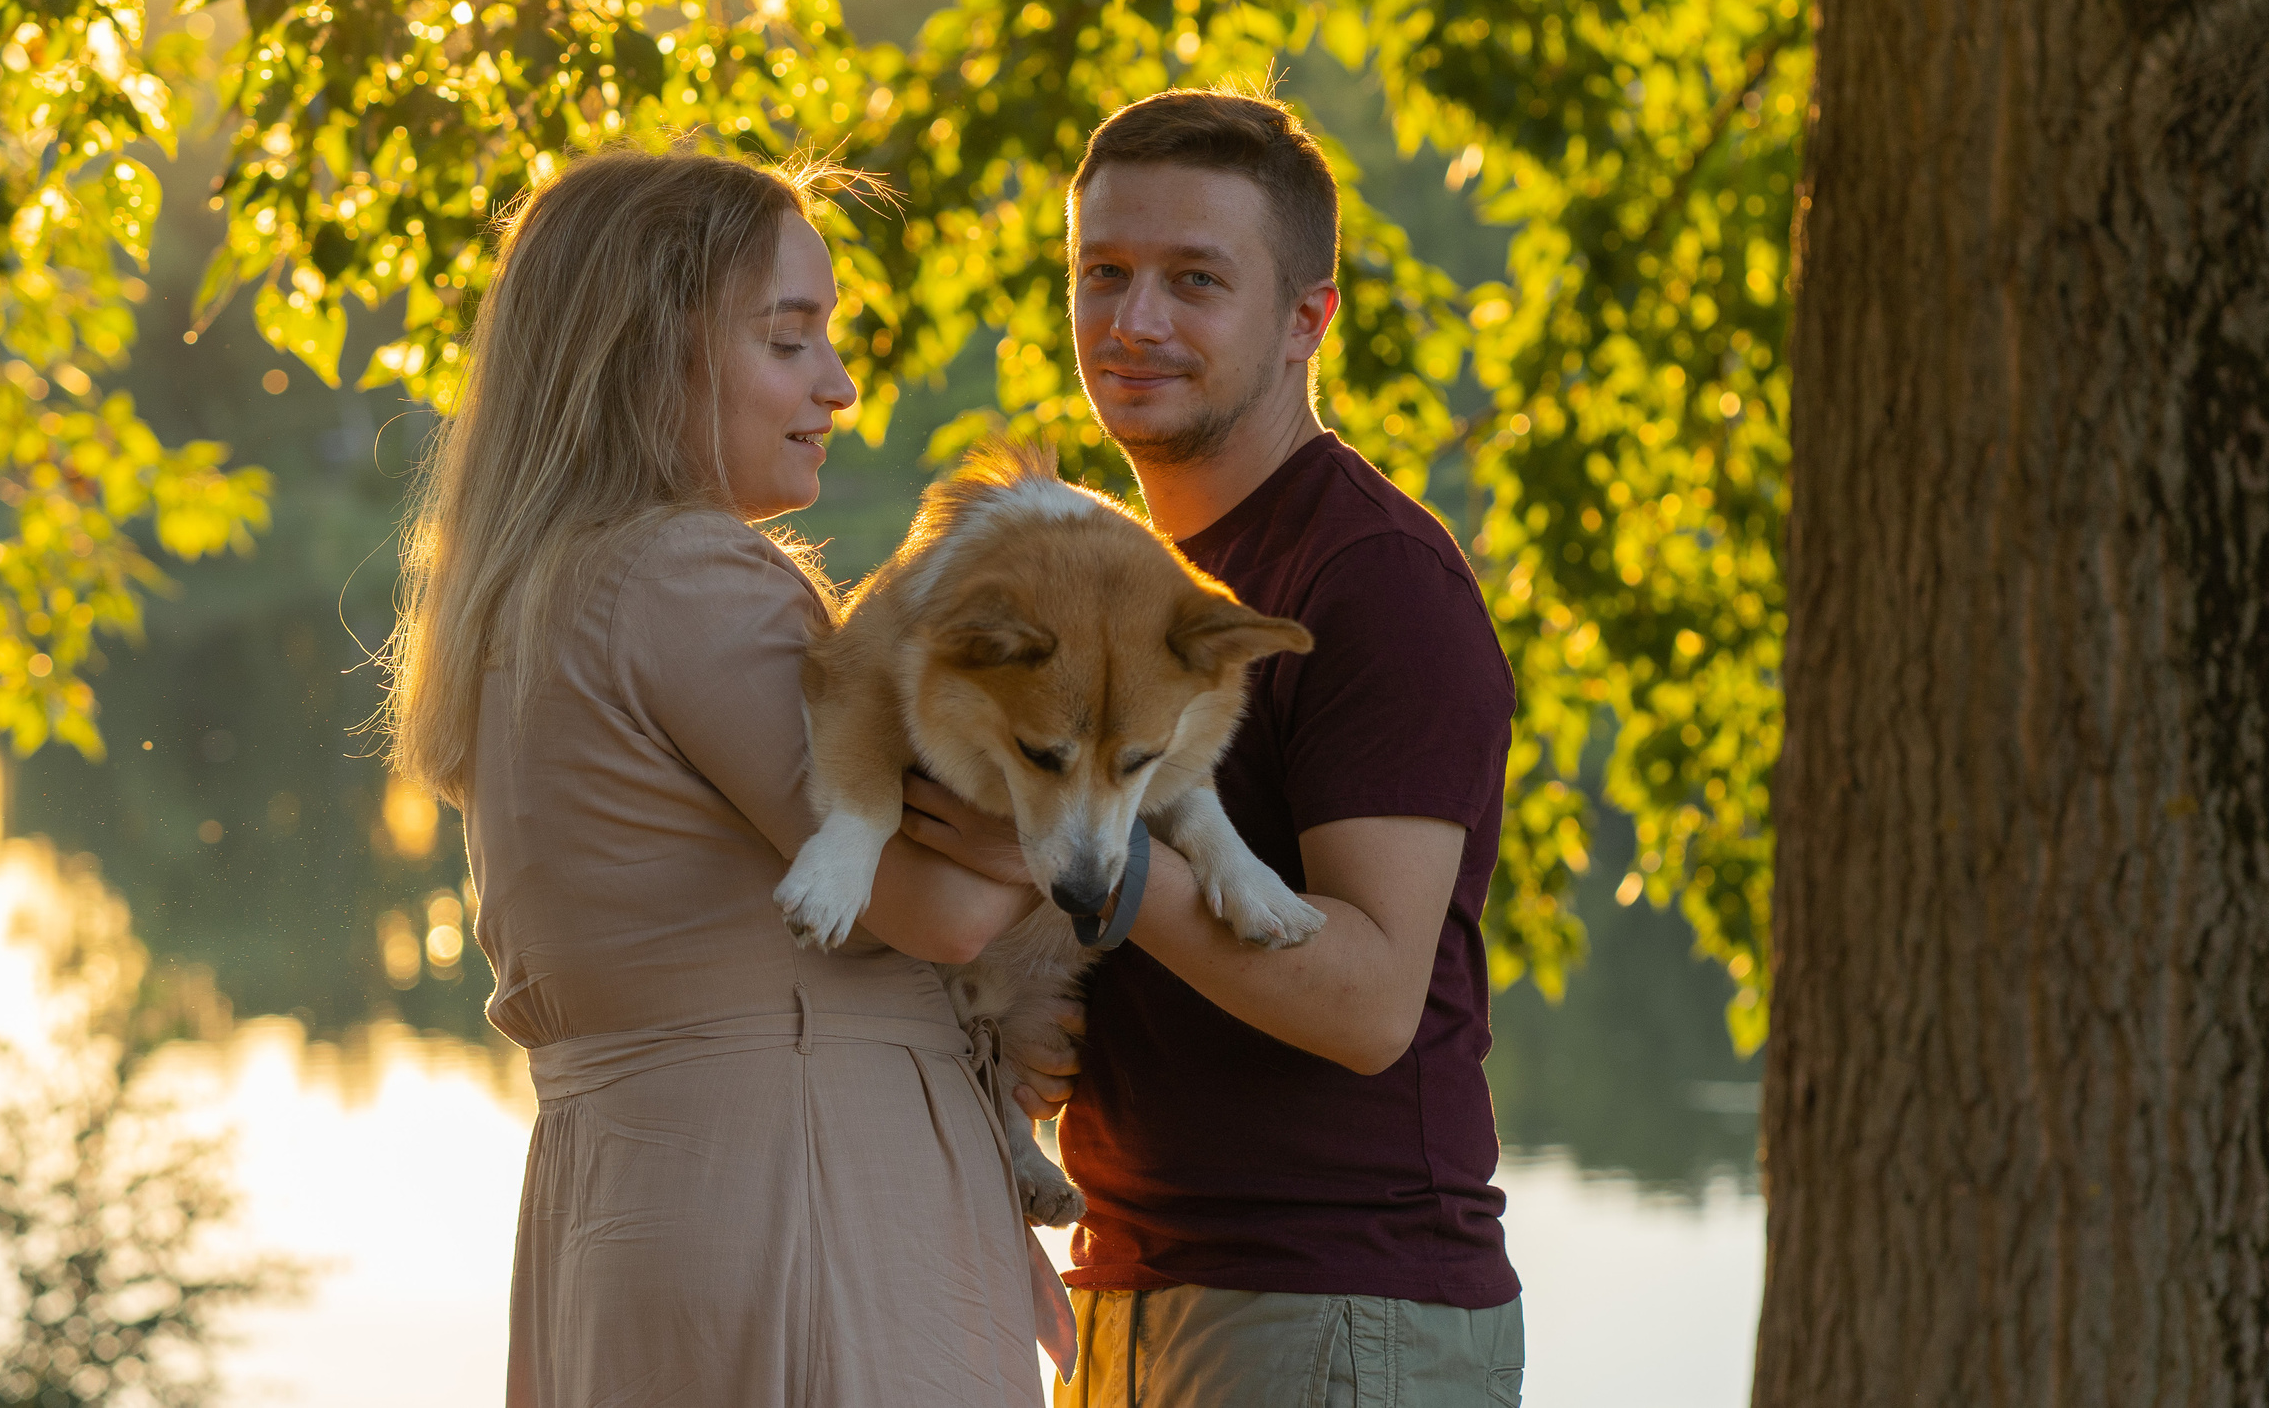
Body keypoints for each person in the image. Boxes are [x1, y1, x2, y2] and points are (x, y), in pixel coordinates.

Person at [383, 147, 1065, 1407]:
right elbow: (941, 907)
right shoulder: (690, 580)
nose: (841, 387)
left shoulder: (536, 597)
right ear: (652, 348)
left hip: (650, 1198)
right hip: (797, 1200)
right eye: (788, 340)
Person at [903, 90, 1526, 1406]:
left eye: (1195, 280)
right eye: (1103, 273)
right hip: (1130, 1287)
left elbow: (1366, 998)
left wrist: (1087, 854)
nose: (1134, 321)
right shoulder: (1112, 578)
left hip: (1336, 1305)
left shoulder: (1370, 581)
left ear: (1309, 317)